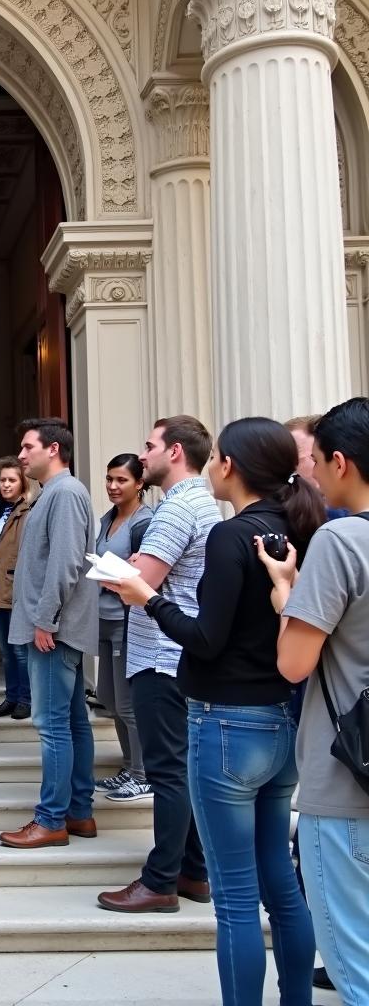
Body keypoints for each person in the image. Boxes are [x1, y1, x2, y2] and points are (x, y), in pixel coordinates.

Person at [111, 418, 322, 1006]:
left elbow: (205, 639)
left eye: (216, 457)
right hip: (281, 720)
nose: (209, 467)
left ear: (229, 466)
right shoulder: (301, 526)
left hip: (227, 722)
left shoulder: (233, 537)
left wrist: (146, 598)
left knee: (234, 897)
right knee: (280, 884)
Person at [260, 397, 369, 1006]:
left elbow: (294, 661)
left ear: (342, 462)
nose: (313, 474)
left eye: (319, 461)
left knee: (357, 969)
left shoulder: (342, 540)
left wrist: (285, 595)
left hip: (350, 773)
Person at [98, 415, 219, 913]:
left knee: (167, 771)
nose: (141, 454)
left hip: (161, 657)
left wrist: (108, 572)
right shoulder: (200, 502)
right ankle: (194, 871)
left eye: (149, 447)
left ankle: (159, 881)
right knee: (182, 768)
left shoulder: (173, 511)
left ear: (174, 453)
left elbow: (139, 585)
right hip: (179, 652)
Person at [0, 419, 98, 849]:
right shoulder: (52, 494)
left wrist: (45, 620)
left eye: (27, 448)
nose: (21, 457)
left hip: (54, 631)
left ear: (53, 449)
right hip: (55, 627)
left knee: (53, 725)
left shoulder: (66, 493)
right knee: (73, 722)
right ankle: (79, 813)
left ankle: (51, 819)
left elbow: (65, 563)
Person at [94, 454, 153, 801]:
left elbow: (145, 575)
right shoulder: (108, 518)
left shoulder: (144, 522)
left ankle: (142, 774)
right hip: (101, 617)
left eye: (122, 480)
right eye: (109, 479)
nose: (113, 487)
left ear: (140, 483)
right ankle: (129, 767)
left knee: (127, 702)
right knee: (108, 699)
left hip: (126, 620)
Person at [0, 456, 33, 720]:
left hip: (15, 591)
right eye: (3, 480)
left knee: (21, 651)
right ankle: (11, 697)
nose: (6, 485)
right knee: (6, 653)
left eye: (12, 480)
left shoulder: (28, 511)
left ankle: (26, 699)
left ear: (23, 483)